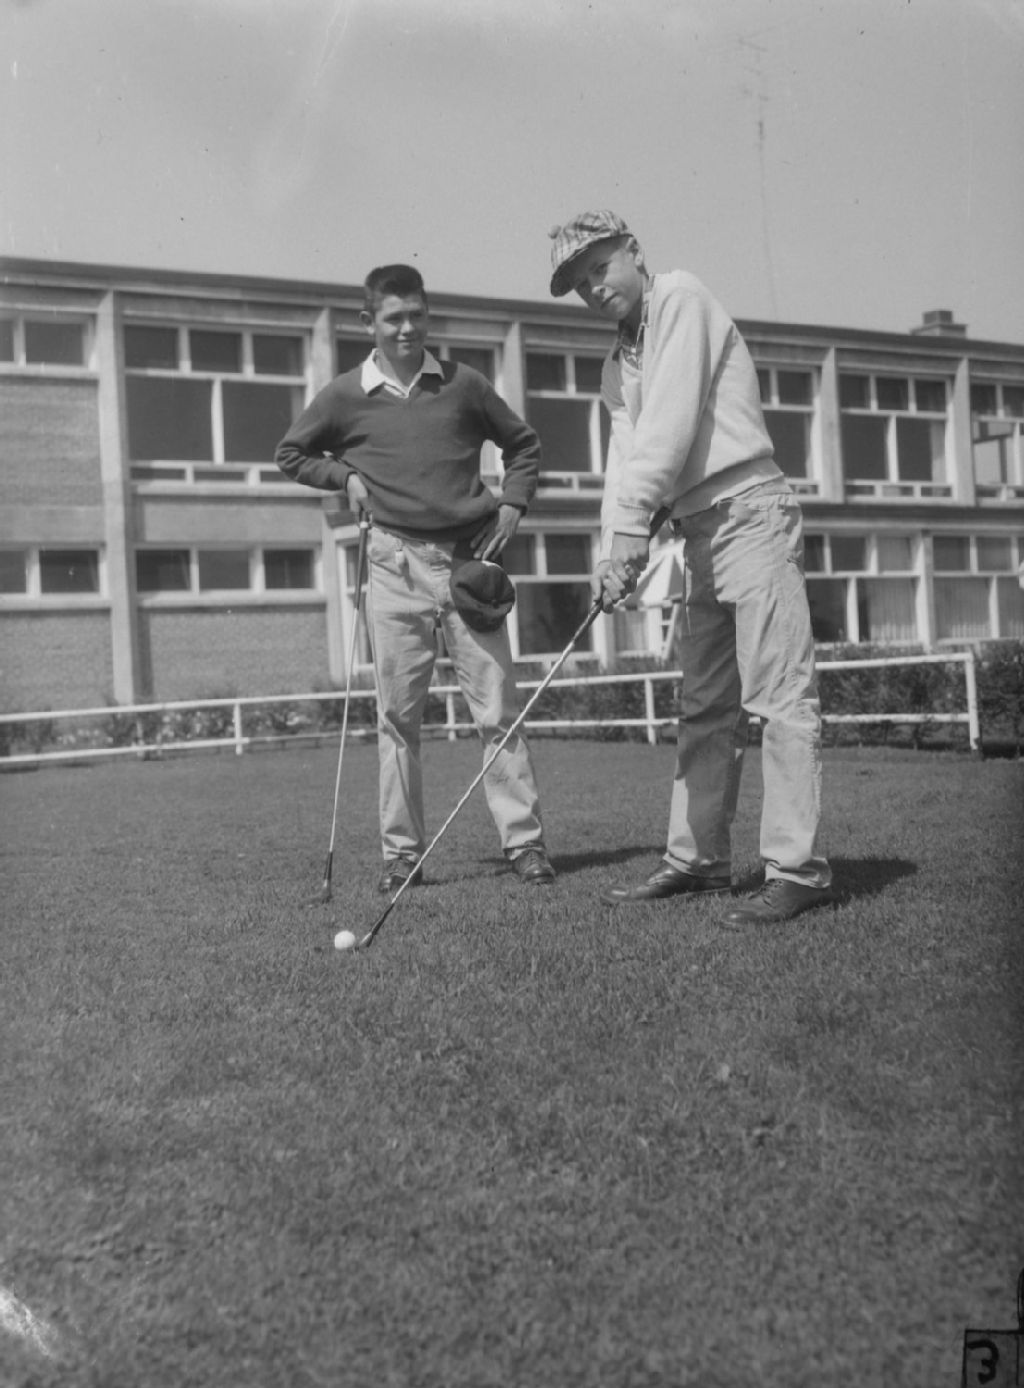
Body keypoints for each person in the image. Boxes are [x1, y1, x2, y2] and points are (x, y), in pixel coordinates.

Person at [547, 210, 832, 924]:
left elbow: (669, 427)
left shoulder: (680, 297)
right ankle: (698, 861)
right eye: (580, 283)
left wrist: (630, 531)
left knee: (778, 697)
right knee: (705, 705)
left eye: (600, 267)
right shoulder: (617, 363)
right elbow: (626, 462)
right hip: (698, 532)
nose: (594, 288)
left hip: (752, 512)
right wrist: (613, 550)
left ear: (634, 252)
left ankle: (797, 871)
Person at [276, 263, 555, 892]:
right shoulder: (345, 395)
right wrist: (344, 477)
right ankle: (401, 856)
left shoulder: (464, 384)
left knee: (498, 712)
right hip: (392, 565)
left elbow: (523, 445)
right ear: (368, 322)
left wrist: (513, 503)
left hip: (468, 566)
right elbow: (291, 453)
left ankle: (526, 845)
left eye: (417, 316)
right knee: (397, 719)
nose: (407, 329)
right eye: (394, 318)